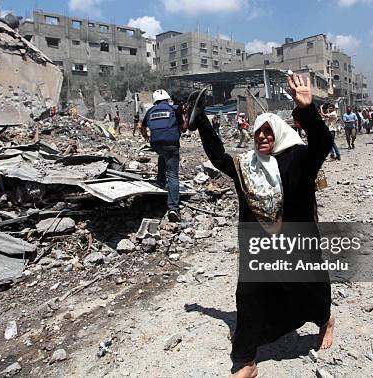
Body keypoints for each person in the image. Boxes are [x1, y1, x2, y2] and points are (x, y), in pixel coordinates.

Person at [189, 73, 334, 378]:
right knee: (249, 296)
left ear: (279, 132)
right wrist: (201, 121)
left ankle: (325, 320)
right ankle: (245, 361)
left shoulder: (300, 159)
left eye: (269, 133)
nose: (263, 138)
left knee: (312, 290)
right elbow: (218, 156)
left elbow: (322, 142)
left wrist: (307, 109)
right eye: (258, 134)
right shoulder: (247, 166)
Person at [140, 89, 187, 222]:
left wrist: (146, 137)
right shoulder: (175, 108)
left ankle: (160, 181)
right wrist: (185, 116)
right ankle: (173, 208)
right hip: (171, 144)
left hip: (156, 144)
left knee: (162, 155)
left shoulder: (150, 111)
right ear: (167, 99)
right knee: (173, 175)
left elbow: (142, 127)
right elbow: (184, 128)